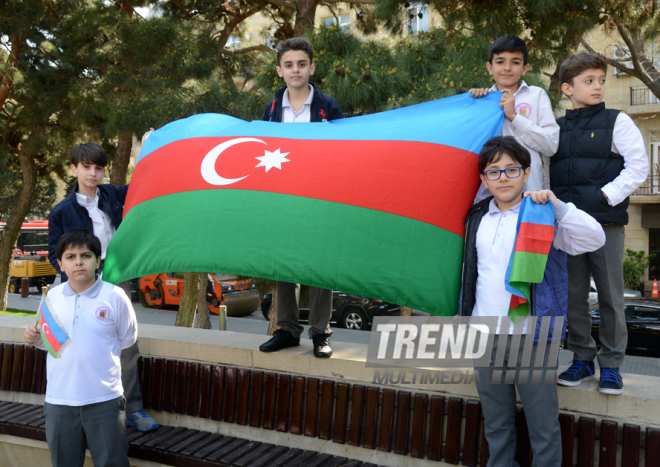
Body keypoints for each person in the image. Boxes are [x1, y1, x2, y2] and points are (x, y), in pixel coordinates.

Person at [460, 136, 605, 466]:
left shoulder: (541, 214)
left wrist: (558, 205)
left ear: (526, 173)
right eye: (493, 171)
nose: (503, 178)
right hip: (486, 335)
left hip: (533, 336)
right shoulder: (475, 218)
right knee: (497, 425)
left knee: (543, 427)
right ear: (483, 179)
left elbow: (594, 237)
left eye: (512, 169)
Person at [552, 53, 649, 395]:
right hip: (567, 228)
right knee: (573, 297)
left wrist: (605, 197)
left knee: (610, 296)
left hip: (605, 223)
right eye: (588, 81)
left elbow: (638, 166)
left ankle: (611, 365)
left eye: (601, 80)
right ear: (568, 88)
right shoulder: (556, 127)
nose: (598, 86)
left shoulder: (616, 120)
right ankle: (581, 358)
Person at [48, 142, 158, 431]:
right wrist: (77, 271)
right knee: (81, 346)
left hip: (114, 273)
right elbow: (53, 252)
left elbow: (145, 181)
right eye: (86, 167)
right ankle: (80, 408)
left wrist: (147, 149)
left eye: (99, 168)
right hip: (81, 282)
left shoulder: (112, 194)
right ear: (73, 169)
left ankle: (132, 408)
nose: (93, 173)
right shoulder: (61, 212)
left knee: (127, 346)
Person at [258, 37, 342, 358]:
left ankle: (321, 333)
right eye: (289, 65)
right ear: (280, 70)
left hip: (319, 197)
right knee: (284, 265)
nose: (296, 70)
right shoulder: (271, 107)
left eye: (302, 64)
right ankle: (288, 330)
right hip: (282, 198)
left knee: (320, 265)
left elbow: (342, 150)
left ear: (312, 68)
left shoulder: (327, 106)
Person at [24, 230, 137, 467]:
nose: (78, 262)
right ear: (61, 264)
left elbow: (127, 339)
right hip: (59, 402)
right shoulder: (50, 298)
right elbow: (50, 344)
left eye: (86, 255)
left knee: (112, 463)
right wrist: (35, 339)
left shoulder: (115, 296)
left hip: (105, 400)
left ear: (97, 260)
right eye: (70, 256)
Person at [469, 35, 559, 201]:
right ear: (489, 67)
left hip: (530, 196)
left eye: (515, 62)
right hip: (488, 199)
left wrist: (514, 117)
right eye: (500, 61)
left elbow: (551, 146)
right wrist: (472, 105)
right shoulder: (479, 100)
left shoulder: (537, 95)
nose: (507, 68)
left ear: (525, 68)